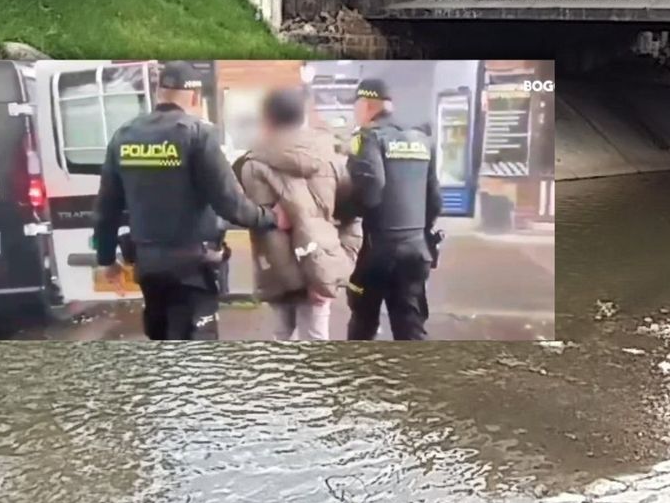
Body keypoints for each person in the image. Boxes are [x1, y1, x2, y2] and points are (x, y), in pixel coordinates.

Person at [93, 61, 285, 340]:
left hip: (149, 267)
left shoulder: (124, 135)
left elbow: (106, 208)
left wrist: (107, 260)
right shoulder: (198, 134)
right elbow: (230, 204)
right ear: (195, 97)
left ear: (159, 92)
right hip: (193, 269)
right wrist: (271, 217)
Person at [234, 87, 361, 340]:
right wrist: (337, 266)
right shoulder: (332, 160)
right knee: (316, 338)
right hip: (320, 268)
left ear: (267, 120)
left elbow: (237, 212)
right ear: (303, 118)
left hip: (276, 271)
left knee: (282, 337)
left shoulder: (250, 166)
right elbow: (353, 215)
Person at [345, 78, 442, 340]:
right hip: (415, 250)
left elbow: (371, 190)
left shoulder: (367, 137)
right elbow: (435, 200)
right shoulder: (422, 140)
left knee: (363, 323)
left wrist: (344, 212)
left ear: (366, 104)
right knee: (410, 327)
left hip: (377, 251)